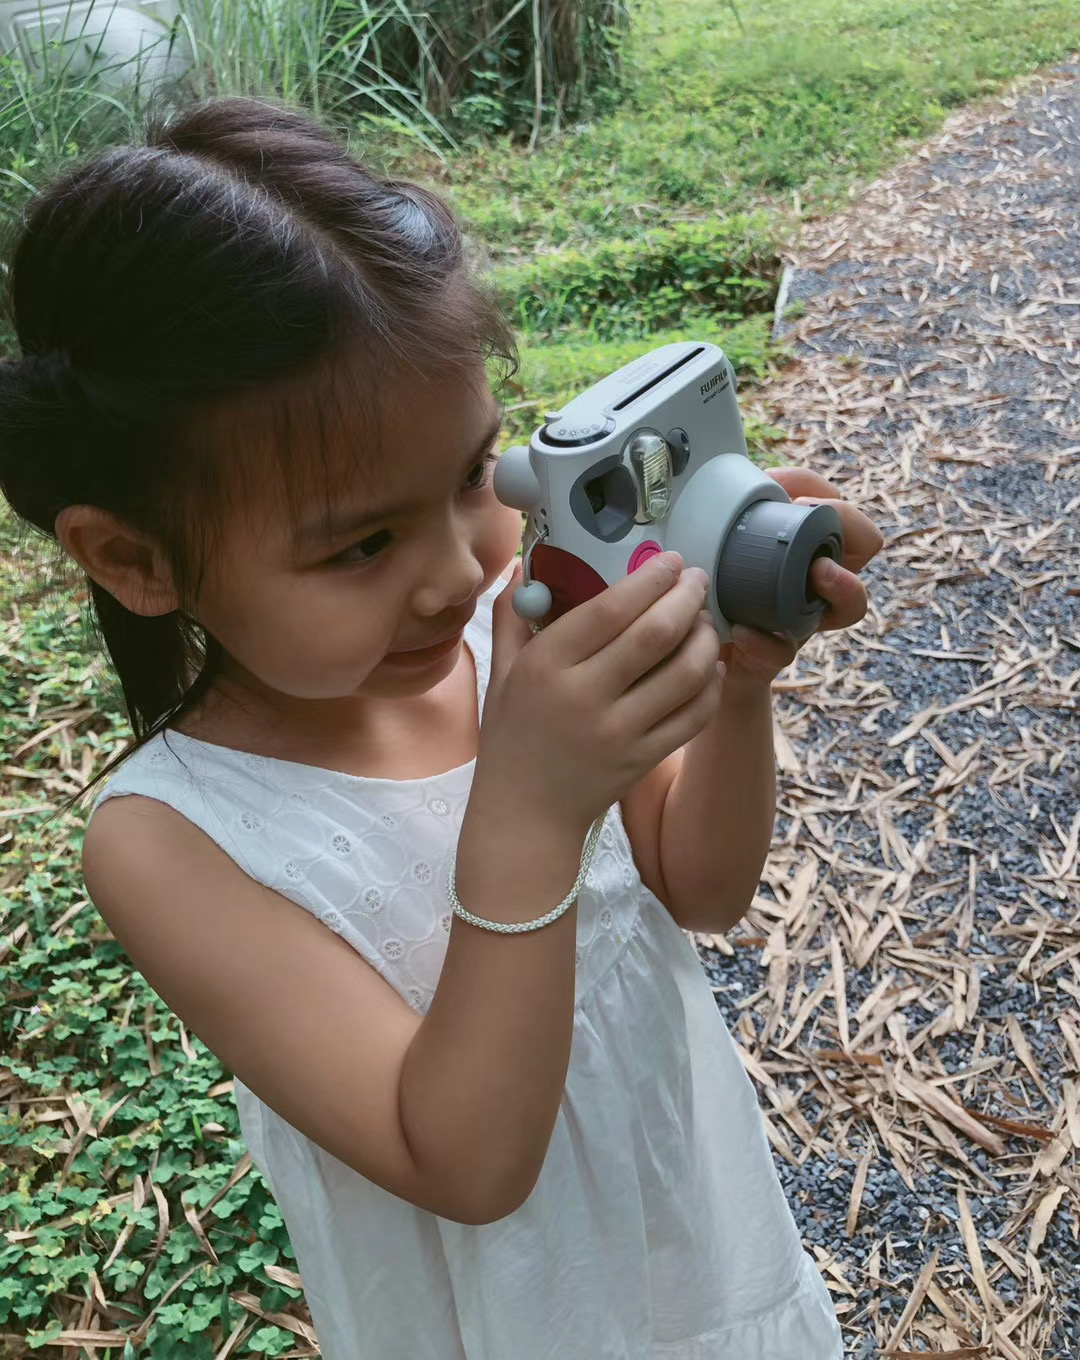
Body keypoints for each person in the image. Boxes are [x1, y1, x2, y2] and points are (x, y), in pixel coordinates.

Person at [0, 96, 882, 1360]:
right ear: (133, 558)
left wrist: (740, 683)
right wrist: (528, 806)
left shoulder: (505, 631)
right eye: (361, 543)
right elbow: (462, 1161)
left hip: (691, 1237)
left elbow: (703, 884)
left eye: (473, 476)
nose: (461, 569)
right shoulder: (167, 845)